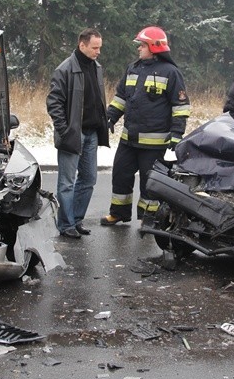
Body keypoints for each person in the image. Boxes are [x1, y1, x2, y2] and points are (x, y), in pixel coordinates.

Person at [101, 26, 191, 227]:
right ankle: (118, 213)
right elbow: (121, 97)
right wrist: (110, 117)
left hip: (154, 141)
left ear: (154, 47)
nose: (139, 49)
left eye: (142, 45)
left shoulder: (171, 72)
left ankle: (149, 218)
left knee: (149, 183)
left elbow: (180, 106)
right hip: (128, 138)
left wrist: (176, 133)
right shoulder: (133, 68)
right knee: (120, 175)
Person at [46, 28, 110, 239]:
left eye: (99, 47)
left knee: (89, 179)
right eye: (95, 47)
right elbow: (54, 103)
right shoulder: (65, 69)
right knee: (66, 182)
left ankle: (76, 220)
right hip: (73, 135)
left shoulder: (97, 67)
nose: (98, 51)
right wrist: (65, 130)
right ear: (82, 45)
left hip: (91, 134)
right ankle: (66, 224)